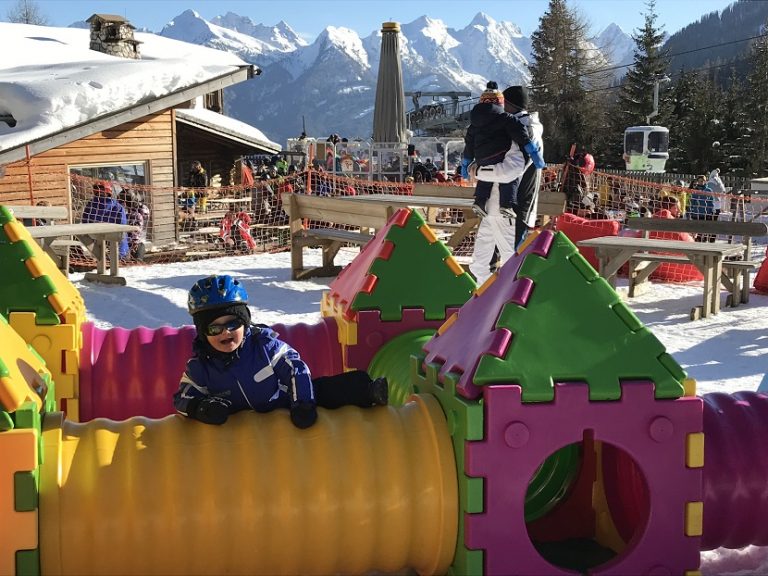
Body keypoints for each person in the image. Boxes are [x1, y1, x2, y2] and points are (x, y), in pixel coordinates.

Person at [174, 275, 389, 428]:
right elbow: (183, 396)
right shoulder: (201, 366)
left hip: (283, 402)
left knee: (323, 390)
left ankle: (368, 389)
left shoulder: (264, 346)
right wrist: (202, 408)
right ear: (203, 333)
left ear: (245, 323)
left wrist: (302, 404)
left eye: (233, 324)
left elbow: (296, 368)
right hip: (240, 421)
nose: (225, 332)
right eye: (214, 328)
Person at [466, 85, 545, 284]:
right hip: (494, 206)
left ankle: (511, 300)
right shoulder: (511, 125)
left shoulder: (522, 128)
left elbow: (512, 169)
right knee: (482, 262)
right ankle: (484, 298)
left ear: (508, 105)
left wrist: (479, 171)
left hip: (513, 206)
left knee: (513, 263)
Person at [461, 81, 545, 218]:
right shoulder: (507, 121)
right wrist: (533, 151)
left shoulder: (477, 123)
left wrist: (472, 165)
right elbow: (510, 168)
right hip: (493, 208)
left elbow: (510, 169)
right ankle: (504, 204)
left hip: (512, 214)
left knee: (494, 178)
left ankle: (485, 201)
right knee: (509, 180)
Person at [82, 180, 129, 259]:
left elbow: (84, 223)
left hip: (95, 242)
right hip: (114, 244)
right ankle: (122, 254)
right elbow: (122, 229)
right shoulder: (118, 207)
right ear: (109, 191)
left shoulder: (90, 205)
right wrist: (122, 253)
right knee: (122, 234)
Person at [117, 189, 150, 260]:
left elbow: (135, 232)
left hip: (133, 243)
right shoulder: (129, 212)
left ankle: (135, 258)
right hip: (124, 242)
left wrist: (134, 243)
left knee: (138, 246)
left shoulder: (135, 215)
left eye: (122, 202)